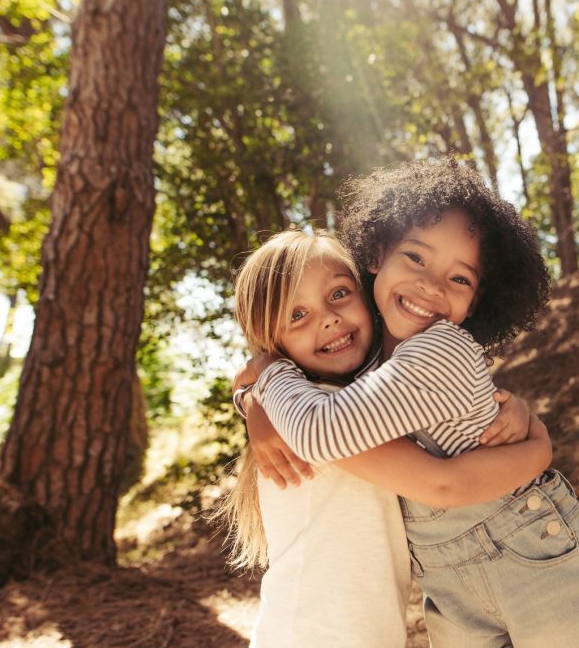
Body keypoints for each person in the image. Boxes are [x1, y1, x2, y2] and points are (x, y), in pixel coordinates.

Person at [244, 160, 579, 647]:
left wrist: (263, 372)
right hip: (450, 580)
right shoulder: (368, 363)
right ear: (377, 254)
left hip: (530, 557)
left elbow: (323, 432)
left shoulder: (441, 347)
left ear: (477, 303)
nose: (432, 286)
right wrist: (251, 397)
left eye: (460, 279)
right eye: (416, 258)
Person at [217, 229, 552, 648]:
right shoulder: (321, 417)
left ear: (366, 292)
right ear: (271, 341)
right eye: (297, 315)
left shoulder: (352, 403)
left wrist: (253, 396)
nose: (327, 318)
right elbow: (443, 482)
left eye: (339, 294)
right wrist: (539, 446)